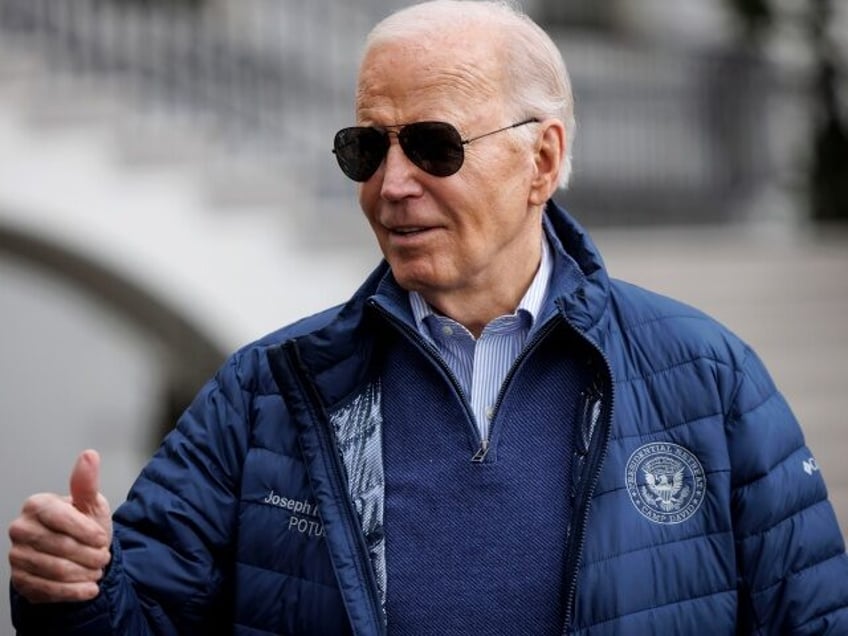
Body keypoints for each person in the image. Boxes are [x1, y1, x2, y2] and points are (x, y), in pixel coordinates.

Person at [7, 0, 848, 634]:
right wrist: (70, 588)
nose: (392, 184)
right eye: (367, 148)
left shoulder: (708, 375)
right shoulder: (267, 389)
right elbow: (138, 616)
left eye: (435, 145)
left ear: (542, 159)